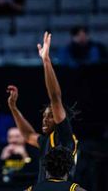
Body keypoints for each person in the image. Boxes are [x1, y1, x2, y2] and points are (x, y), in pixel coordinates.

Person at [7, 32, 78, 182]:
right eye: (44, 116)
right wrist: (14, 108)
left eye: (50, 116)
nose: (45, 120)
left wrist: (46, 61)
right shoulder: (46, 140)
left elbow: (55, 97)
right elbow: (27, 135)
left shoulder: (64, 137)